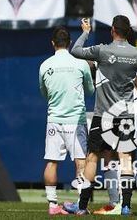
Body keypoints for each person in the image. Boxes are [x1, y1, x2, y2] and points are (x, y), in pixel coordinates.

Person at [65, 16, 137, 216]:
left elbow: (74, 51)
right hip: (125, 116)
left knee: (92, 159)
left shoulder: (103, 50)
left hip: (103, 115)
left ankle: (82, 207)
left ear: (113, 30)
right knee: (126, 160)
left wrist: (85, 31)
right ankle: (126, 206)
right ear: (127, 32)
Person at [39, 26, 94, 216]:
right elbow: (90, 90)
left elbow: (44, 92)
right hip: (76, 120)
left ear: (53, 43)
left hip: (54, 119)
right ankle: (81, 204)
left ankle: (52, 205)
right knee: (80, 161)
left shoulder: (45, 65)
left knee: (52, 161)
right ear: (70, 43)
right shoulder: (81, 64)